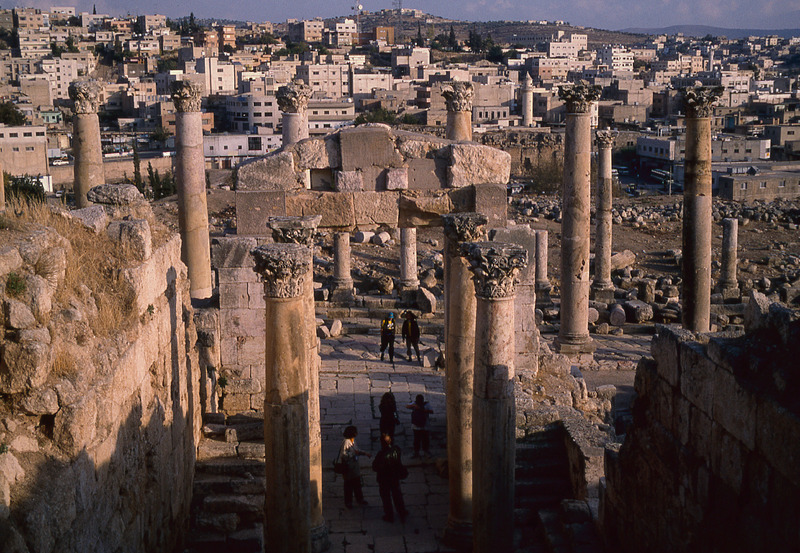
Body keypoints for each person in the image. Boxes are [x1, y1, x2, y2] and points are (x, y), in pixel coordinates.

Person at [372, 433, 409, 523]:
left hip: (384, 479)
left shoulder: (381, 454)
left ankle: (389, 515)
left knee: (386, 498)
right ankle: (402, 511)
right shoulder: (396, 450)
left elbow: (375, 467)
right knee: (397, 495)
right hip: (394, 477)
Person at [338, 425, 371, 508]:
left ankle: (360, 499)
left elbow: (357, 450)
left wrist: (364, 453)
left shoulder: (353, 441)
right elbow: (343, 454)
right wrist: (352, 454)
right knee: (348, 485)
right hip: (348, 468)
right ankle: (348, 502)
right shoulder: (346, 442)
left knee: (357, 484)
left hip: (354, 467)